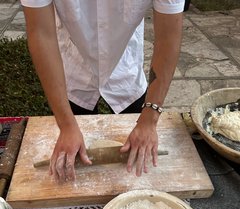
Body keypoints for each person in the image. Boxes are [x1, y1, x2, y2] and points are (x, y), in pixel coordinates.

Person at [20, 0, 185, 182]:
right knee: (73, 166)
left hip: (126, 66)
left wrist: (149, 119)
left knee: (135, 174)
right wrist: (66, 125)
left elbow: (168, 37)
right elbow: (41, 33)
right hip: (73, 64)